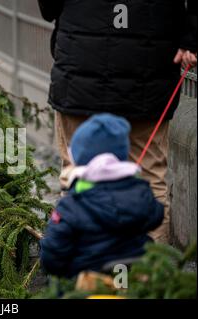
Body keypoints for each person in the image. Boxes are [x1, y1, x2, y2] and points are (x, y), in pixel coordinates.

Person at [38, 0, 197, 243]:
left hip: (82, 61)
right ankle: (147, 272)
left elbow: (49, 8)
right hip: (150, 64)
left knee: (78, 174)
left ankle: (83, 269)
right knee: (149, 178)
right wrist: (191, 38)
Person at [39, 114, 164, 278]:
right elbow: (157, 215)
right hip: (130, 275)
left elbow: (54, 250)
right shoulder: (141, 192)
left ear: (79, 158)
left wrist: (56, 273)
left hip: (87, 281)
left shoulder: (72, 205)